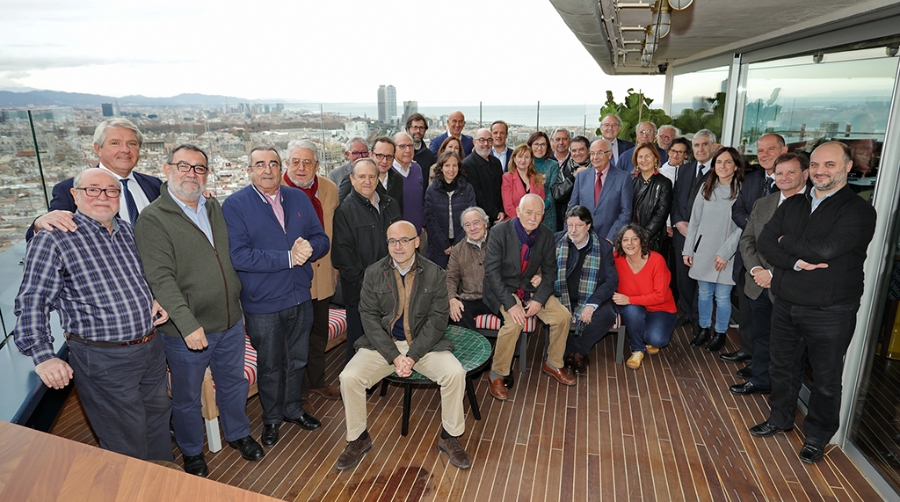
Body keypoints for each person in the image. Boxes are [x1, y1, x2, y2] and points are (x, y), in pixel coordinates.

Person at [14, 167, 171, 462]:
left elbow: (140, 277)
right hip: (103, 357)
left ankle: (164, 481)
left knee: (157, 419)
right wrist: (43, 355)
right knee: (125, 435)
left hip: (150, 347)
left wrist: (154, 297)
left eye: (111, 191)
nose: (103, 197)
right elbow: (32, 299)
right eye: (93, 190)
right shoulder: (53, 239)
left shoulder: (126, 231)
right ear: (75, 195)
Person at [134, 145, 263, 477]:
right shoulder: (153, 218)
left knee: (232, 383)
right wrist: (187, 324)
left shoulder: (213, 207)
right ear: (168, 169)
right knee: (188, 396)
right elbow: (160, 278)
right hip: (186, 330)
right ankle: (192, 451)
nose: (191, 174)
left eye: (199, 168)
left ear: (207, 174)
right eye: (184, 166)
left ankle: (238, 434)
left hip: (230, 321)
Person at [749, 142, 876, 464]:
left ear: (848, 167)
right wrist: (794, 260)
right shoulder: (793, 204)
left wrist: (786, 243)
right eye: (817, 165)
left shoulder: (858, 210)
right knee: (782, 366)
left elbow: (827, 250)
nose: (821, 171)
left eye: (830, 165)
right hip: (787, 300)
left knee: (825, 378)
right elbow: (765, 241)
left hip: (831, 309)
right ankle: (780, 418)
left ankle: (817, 437)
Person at [336, 221, 471, 470]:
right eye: (392, 241)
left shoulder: (435, 273)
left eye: (404, 240)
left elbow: (438, 319)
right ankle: (358, 438)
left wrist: (414, 354)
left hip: (424, 345)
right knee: (349, 377)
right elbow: (368, 318)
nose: (398, 246)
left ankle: (450, 435)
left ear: (417, 242)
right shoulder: (374, 273)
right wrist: (393, 355)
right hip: (383, 346)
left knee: (455, 374)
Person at [222, 145, 331, 448]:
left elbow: (321, 238)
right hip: (263, 304)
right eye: (260, 164)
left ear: (279, 167)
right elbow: (240, 256)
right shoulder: (234, 205)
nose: (267, 170)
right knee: (270, 365)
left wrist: (313, 249)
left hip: (300, 297)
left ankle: (293, 408)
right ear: (249, 171)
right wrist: (288, 258)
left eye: (273, 163)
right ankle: (271, 418)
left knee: (297, 360)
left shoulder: (298, 198)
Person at [730, 153, 808, 396]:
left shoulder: (813, 208)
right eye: (780, 172)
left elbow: (807, 250)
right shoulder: (764, 203)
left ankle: (783, 395)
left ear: (805, 174)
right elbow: (747, 240)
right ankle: (761, 379)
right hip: (758, 284)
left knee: (788, 347)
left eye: (790, 172)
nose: (783, 177)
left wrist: (772, 274)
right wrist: (756, 270)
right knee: (762, 337)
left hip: (791, 288)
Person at [483, 194, 575, 400]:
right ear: (518, 212)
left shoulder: (546, 235)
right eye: (528, 212)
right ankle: (497, 374)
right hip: (504, 288)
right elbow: (492, 273)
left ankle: (553, 364)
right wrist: (510, 304)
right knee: (514, 322)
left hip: (530, 288)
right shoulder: (499, 232)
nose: (533, 218)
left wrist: (539, 300)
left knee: (562, 316)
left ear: (543, 216)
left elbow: (550, 272)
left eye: (537, 214)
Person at [27, 118, 162, 240]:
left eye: (132, 143)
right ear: (98, 149)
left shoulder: (154, 185)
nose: (125, 150)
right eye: (115, 143)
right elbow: (48, 231)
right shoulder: (70, 189)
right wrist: (39, 223)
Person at [281, 140, 342, 402]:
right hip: (289, 279)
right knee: (292, 338)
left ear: (317, 165)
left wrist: (336, 268)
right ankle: (296, 391)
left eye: (307, 162)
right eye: (295, 161)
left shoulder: (329, 189)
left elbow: (335, 232)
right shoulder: (275, 190)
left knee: (318, 333)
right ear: (287, 164)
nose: (301, 167)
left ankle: (317, 382)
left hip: (323, 274)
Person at [724, 133, 788, 366]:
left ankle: (762, 364)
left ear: (784, 150)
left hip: (775, 265)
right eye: (760, 150)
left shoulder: (792, 184)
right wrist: (754, 226)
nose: (764, 155)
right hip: (749, 257)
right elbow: (737, 209)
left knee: (769, 318)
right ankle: (747, 349)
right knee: (749, 308)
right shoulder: (751, 179)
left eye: (770, 149)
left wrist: (760, 229)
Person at [332, 158, 402, 363]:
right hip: (361, 292)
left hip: (392, 287)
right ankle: (359, 388)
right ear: (352, 179)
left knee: (389, 341)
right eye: (361, 176)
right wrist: (369, 286)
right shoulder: (344, 211)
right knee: (360, 344)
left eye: (372, 176)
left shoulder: (391, 204)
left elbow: (400, 243)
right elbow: (343, 257)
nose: (367, 181)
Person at [682, 147, 745, 353]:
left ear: (735, 166)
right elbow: (695, 221)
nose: (723, 166)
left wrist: (725, 253)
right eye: (719, 162)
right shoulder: (706, 188)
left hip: (728, 252)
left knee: (723, 297)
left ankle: (720, 333)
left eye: (728, 162)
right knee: (704, 293)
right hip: (704, 249)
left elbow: (743, 226)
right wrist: (688, 249)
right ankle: (704, 329)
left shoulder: (741, 190)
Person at [554, 205, 618, 375]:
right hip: (561, 296)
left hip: (591, 296)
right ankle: (577, 354)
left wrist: (592, 304)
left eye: (579, 225)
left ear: (588, 226)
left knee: (606, 316)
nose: (573, 230)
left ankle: (574, 352)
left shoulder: (604, 247)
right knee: (554, 315)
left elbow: (611, 281)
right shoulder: (556, 241)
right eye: (570, 225)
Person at [612, 224, 678, 370]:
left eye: (634, 239)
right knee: (631, 311)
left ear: (642, 241)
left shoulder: (657, 261)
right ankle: (637, 349)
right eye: (625, 240)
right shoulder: (616, 258)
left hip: (660, 308)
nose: (629, 244)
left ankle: (647, 335)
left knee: (657, 340)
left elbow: (660, 296)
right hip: (635, 308)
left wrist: (629, 299)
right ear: (620, 244)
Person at [671, 129, 716, 337]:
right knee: (683, 277)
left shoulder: (720, 170)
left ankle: (701, 320)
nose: (700, 149)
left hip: (706, 236)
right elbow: (675, 199)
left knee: (702, 279)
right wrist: (679, 222)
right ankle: (688, 312)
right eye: (697, 145)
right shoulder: (685, 169)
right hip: (682, 234)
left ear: (713, 147)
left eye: (705, 144)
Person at [568, 139, 633, 243]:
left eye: (600, 153)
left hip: (609, 239)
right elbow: (573, 207)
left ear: (610, 154)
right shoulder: (582, 177)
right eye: (592, 153)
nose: (595, 157)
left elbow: (625, 212)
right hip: (582, 237)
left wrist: (611, 238)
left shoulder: (623, 178)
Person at [424, 151, 476, 268]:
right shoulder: (431, 191)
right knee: (439, 282)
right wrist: (444, 245)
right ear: (441, 168)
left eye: (455, 165)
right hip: (438, 248)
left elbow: (471, 218)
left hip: (463, 245)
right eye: (447, 165)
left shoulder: (467, 189)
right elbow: (430, 220)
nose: (451, 169)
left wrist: (457, 244)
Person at [446, 207, 494, 329]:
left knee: (512, 316)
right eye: (467, 225)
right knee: (457, 313)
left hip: (497, 297)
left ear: (485, 223)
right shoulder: (458, 250)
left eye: (476, 223)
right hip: (471, 298)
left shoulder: (498, 241)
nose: (472, 228)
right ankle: (474, 347)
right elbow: (450, 277)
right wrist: (452, 298)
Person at [630, 142, 673, 252]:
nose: (644, 160)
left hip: (653, 240)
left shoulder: (664, 183)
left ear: (655, 159)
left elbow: (661, 214)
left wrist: (643, 236)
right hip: (630, 237)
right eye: (640, 157)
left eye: (648, 156)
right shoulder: (629, 180)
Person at [338, 137, 403, 204]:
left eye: (389, 156)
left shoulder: (397, 179)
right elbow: (340, 208)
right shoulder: (354, 179)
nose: (384, 161)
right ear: (371, 155)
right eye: (379, 155)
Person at [463, 128, 505, 223]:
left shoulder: (496, 162)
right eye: (482, 140)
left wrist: (502, 211)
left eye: (489, 140)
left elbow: (502, 188)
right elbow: (477, 195)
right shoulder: (467, 164)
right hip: (481, 219)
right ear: (474, 142)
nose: (486, 144)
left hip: (500, 216)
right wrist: (496, 213)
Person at [551, 135, 591, 230]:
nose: (577, 153)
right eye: (573, 150)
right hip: (567, 220)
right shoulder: (563, 169)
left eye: (581, 149)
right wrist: (572, 177)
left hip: (592, 218)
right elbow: (556, 194)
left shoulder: (596, 168)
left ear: (588, 150)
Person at [393, 131, 426, 234]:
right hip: (397, 235)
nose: (408, 150)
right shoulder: (388, 172)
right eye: (402, 146)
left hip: (417, 232)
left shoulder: (417, 168)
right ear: (393, 149)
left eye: (410, 146)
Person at [501, 144, 545, 220]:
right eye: (520, 156)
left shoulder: (538, 178)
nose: (523, 160)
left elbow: (541, 204)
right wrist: (523, 221)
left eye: (527, 157)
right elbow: (508, 207)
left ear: (531, 159)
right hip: (514, 222)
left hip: (534, 222)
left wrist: (534, 220)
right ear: (514, 158)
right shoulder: (507, 178)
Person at [529, 131, 559, 230]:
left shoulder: (553, 165)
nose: (539, 148)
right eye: (536, 144)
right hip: (527, 213)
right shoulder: (525, 163)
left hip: (547, 213)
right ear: (530, 145)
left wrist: (541, 208)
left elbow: (553, 190)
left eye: (543, 144)